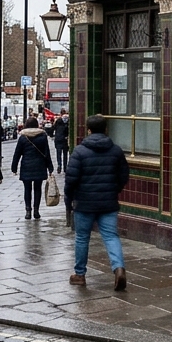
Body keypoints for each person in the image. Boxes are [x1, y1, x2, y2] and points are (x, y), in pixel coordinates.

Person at [65, 113, 129, 291]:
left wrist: (69, 200)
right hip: (108, 202)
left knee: (82, 237)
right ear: (106, 129)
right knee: (111, 236)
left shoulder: (79, 151)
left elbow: (71, 179)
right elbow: (124, 175)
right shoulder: (115, 150)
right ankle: (119, 268)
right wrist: (113, 190)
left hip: (84, 203)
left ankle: (80, 274)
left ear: (89, 130)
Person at [11, 116, 53, 220]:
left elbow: (17, 153)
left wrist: (14, 167)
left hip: (26, 165)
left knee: (27, 189)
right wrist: (50, 167)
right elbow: (46, 153)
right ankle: (36, 211)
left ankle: (28, 211)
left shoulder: (23, 137)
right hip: (39, 165)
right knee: (38, 189)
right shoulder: (42, 136)